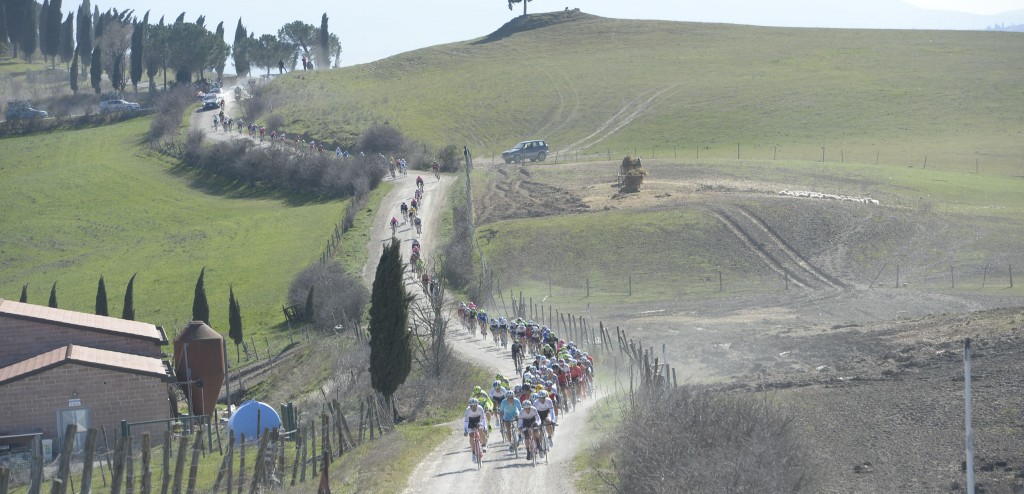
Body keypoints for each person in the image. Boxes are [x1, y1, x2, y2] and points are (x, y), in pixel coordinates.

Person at [464, 398, 488, 463]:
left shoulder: (480, 408)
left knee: (480, 429)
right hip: (470, 422)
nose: (474, 408)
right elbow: (466, 421)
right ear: (470, 406)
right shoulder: (467, 410)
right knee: (471, 436)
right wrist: (465, 430)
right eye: (472, 406)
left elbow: (483, 419)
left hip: (478, 420)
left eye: (475, 406)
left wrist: (485, 427)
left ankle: (483, 445)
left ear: (477, 405)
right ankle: (473, 453)